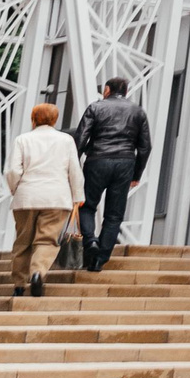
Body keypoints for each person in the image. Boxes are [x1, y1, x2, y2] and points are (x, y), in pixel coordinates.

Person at [3, 102, 82, 299]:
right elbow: (74, 170)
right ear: (55, 120)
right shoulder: (66, 140)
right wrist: (78, 197)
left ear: (33, 118)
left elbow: (13, 170)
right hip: (56, 198)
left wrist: (15, 189)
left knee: (23, 242)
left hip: (27, 197)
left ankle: (19, 285)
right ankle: (37, 273)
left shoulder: (22, 140)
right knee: (46, 240)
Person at [72, 77, 151, 273]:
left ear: (107, 89)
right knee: (114, 214)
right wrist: (136, 173)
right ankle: (99, 260)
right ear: (126, 91)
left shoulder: (96, 108)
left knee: (87, 204)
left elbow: (80, 138)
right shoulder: (138, 111)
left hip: (97, 160)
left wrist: (73, 165)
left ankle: (90, 241)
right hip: (125, 163)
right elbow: (145, 147)